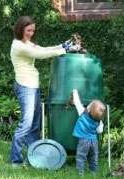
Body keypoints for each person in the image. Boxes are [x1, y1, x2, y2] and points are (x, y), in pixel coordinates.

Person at [10, 16, 79, 167]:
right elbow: (40, 55)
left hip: (33, 86)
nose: (31, 33)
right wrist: (66, 49)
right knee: (26, 124)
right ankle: (15, 160)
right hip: (25, 86)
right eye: (28, 30)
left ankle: (34, 157)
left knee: (35, 124)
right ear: (20, 28)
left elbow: (43, 49)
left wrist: (62, 45)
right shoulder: (18, 46)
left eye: (33, 30)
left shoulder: (27, 43)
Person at [71, 89, 106, 175]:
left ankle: (80, 172)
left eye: (90, 105)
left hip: (83, 140)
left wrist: (75, 92)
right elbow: (100, 131)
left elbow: (77, 102)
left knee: (81, 156)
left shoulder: (83, 113)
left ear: (89, 110)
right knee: (94, 157)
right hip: (94, 141)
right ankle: (93, 171)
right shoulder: (99, 121)